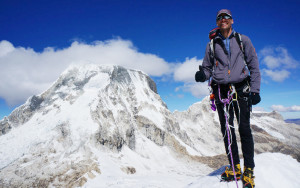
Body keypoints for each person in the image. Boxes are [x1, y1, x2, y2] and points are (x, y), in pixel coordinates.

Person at [195, 9, 261, 188]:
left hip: (241, 89)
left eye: (226, 17)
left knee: (244, 129)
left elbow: (254, 66)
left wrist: (255, 90)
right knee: (227, 130)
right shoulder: (211, 44)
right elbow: (208, 67)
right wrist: (203, 74)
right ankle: (234, 167)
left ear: (232, 20)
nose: (223, 19)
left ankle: (249, 170)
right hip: (221, 90)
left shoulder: (242, 40)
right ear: (217, 22)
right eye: (219, 18)